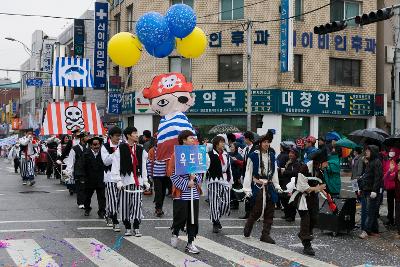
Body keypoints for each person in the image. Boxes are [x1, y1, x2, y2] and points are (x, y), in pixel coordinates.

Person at [243, 131, 283, 244]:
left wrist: (277, 185)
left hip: (269, 186)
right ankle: (249, 225)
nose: (266, 144)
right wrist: (247, 189)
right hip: (258, 185)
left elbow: (274, 172)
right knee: (257, 209)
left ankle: (265, 234)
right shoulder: (253, 155)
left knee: (270, 210)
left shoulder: (271, 155)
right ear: (260, 143)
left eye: (268, 142)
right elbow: (248, 172)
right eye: (264, 142)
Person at [111, 126, 150, 237]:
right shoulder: (120, 149)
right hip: (125, 181)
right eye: (134, 133)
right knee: (124, 205)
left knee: (138, 204)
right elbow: (116, 165)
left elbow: (143, 166)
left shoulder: (141, 149)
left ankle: (136, 227)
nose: (137, 135)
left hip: (138, 181)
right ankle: (127, 226)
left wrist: (146, 180)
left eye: (137, 133)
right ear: (128, 135)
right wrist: (118, 180)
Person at [170, 130, 202, 254]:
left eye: (193, 138)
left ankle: (190, 242)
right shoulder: (176, 155)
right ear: (183, 140)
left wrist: (195, 180)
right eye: (190, 138)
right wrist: (186, 184)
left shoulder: (196, 154)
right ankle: (175, 232)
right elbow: (172, 174)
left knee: (193, 219)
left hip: (194, 192)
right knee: (180, 217)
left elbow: (200, 171)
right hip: (181, 193)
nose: (193, 140)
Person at [288, 164, 326, 256]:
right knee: (306, 220)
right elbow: (303, 188)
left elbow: (320, 185)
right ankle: (307, 245)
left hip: (313, 198)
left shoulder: (319, 170)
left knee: (314, 219)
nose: (327, 164)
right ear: (320, 161)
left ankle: (303, 234)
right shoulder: (304, 168)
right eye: (326, 162)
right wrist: (317, 188)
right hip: (302, 198)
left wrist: (325, 192)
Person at [206, 135, 233, 233]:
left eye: (223, 142)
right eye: (221, 142)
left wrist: (231, 181)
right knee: (214, 203)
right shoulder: (209, 154)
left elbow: (229, 168)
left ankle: (217, 218)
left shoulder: (226, 154)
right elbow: (206, 167)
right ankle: (215, 222)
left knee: (226, 202)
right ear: (216, 144)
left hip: (225, 180)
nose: (223, 144)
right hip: (213, 181)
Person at [359, 145, 383, 239]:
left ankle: (366, 230)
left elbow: (378, 177)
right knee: (371, 211)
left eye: (368, 151)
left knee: (370, 211)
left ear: (373, 152)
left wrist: (374, 190)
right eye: (366, 150)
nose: (366, 152)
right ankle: (374, 230)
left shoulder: (377, 162)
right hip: (366, 189)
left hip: (372, 191)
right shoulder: (370, 162)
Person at [101, 126, 122, 231]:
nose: (118, 138)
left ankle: (108, 213)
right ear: (111, 136)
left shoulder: (122, 145)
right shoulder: (105, 147)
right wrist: (115, 153)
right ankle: (115, 220)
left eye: (119, 136)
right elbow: (106, 161)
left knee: (118, 200)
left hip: (120, 177)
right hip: (109, 176)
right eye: (116, 136)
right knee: (112, 198)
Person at [83, 136, 106, 218]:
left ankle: (102, 211)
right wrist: (82, 178)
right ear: (91, 145)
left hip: (100, 178)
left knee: (102, 197)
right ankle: (87, 208)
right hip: (89, 179)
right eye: (95, 144)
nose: (97, 146)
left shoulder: (104, 154)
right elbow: (81, 167)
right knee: (87, 196)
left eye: (98, 144)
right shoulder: (86, 154)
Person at [64, 131, 89, 209]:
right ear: (82, 138)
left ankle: (86, 202)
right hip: (79, 170)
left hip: (88, 171)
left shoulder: (89, 148)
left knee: (87, 188)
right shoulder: (74, 149)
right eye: (86, 136)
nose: (88, 138)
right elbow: (71, 161)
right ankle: (80, 202)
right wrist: (69, 171)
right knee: (80, 187)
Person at [280, 147, 301, 222]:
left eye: (292, 153)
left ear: (296, 155)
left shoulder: (297, 163)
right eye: (290, 153)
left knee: (291, 201)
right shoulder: (289, 162)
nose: (290, 154)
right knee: (284, 199)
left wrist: (284, 172)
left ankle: (291, 216)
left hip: (292, 185)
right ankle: (287, 214)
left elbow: (295, 173)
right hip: (286, 184)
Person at [240, 131, 257, 219]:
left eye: (244, 138)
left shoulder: (256, 148)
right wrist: (242, 175)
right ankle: (247, 213)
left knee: (253, 194)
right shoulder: (246, 149)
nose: (244, 139)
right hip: (246, 174)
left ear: (248, 139)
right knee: (246, 193)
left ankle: (253, 213)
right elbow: (244, 163)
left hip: (253, 175)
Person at [383, 148, 400, 226]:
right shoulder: (387, 162)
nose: (391, 153)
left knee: (396, 204)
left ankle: (395, 220)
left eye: (392, 152)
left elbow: (393, 175)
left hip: (395, 186)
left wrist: (390, 174)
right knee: (390, 203)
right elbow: (385, 174)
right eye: (390, 152)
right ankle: (390, 219)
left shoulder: (396, 163)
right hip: (389, 186)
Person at [229, 142, 244, 210]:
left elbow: (241, 167)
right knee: (230, 190)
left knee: (235, 190)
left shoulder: (238, 156)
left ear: (236, 148)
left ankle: (235, 204)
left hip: (235, 175)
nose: (231, 148)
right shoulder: (229, 154)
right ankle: (231, 203)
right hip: (230, 175)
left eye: (232, 147)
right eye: (230, 147)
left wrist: (239, 177)